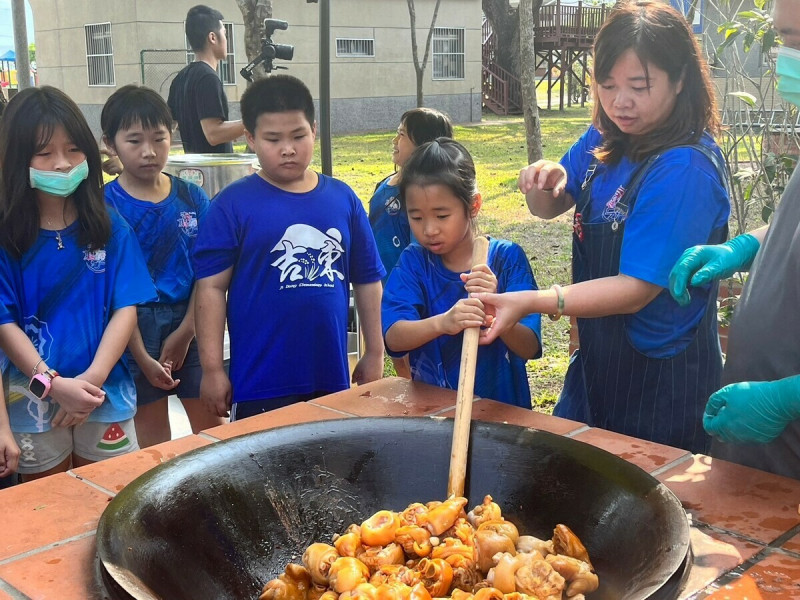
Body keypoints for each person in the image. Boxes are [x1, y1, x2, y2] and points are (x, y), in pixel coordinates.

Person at [474, 1, 730, 453]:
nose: (619, 101)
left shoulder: (685, 168)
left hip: (661, 383)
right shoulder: (607, 135)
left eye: (639, 86)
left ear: (681, 79)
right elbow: (547, 207)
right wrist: (540, 180)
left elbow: (636, 288)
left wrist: (540, 300)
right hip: (598, 367)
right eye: (607, 85)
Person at [193, 74, 385, 421]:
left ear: (314, 129)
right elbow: (211, 287)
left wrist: (374, 351)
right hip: (259, 382)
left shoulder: (343, 199)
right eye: (272, 138)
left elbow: (368, 280)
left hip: (329, 376)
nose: (288, 148)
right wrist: (212, 368)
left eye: (298, 135)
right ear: (250, 138)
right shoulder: (232, 204)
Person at [667, 0, 800, 478]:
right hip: (764, 459)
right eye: (785, 40)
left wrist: (788, 397)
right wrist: (743, 248)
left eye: (798, 42)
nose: (787, 58)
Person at [0, 86, 156, 481]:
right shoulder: (7, 237)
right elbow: (5, 325)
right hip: (31, 399)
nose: (61, 164)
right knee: (47, 509)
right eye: (43, 152)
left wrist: (92, 380)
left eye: (73, 149)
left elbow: (126, 308)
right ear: (16, 158)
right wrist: (52, 385)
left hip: (106, 393)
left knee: (112, 497)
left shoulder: (110, 226)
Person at [100, 84, 226, 447]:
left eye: (159, 138)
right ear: (111, 143)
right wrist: (140, 354)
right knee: (154, 445)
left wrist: (187, 332)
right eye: (134, 141)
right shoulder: (104, 206)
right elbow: (111, 288)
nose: (149, 152)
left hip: (193, 317)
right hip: (129, 325)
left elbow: (208, 273)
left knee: (215, 430)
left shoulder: (191, 196)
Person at [382, 139, 542, 408]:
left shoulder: (507, 260)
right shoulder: (414, 262)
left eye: (442, 216)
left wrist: (497, 313)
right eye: (416, 217)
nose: (429, 229)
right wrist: (443, 323)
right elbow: (394, 338)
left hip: (502, 412)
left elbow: (529, 347)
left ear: (474, 205)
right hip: (436, 413)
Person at [369, 107, 453, 378]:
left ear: (424, 145)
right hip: (383, 287)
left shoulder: (420, 196)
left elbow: (424, 248)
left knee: (416, 360)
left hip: (412, 293)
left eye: (402, 135)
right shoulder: (385, 184)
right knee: (396, 350)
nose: (395, 141)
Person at [167, 5, 245, 153]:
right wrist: (255, 123)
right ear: (213, 37)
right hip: (213, 172)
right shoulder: (208, 78)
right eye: (225, 34)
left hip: (192, 172)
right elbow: (213, 134)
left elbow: (168, 127)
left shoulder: (180, 78)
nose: (226, 40)